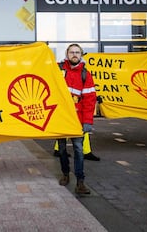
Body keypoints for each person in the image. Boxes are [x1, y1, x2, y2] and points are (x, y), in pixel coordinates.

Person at [56, 43, 97, 195]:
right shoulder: (58, 70)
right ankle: (65, 174)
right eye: (72, 52)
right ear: (67, 54)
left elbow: (89, 100)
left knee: (79, 151)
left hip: (77, 120)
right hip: (60, 118)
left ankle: (80, 181)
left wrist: (87, 122)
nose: (75, 55)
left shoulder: (86, 74)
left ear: (81, 55)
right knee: (61, 150)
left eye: (77, 52)